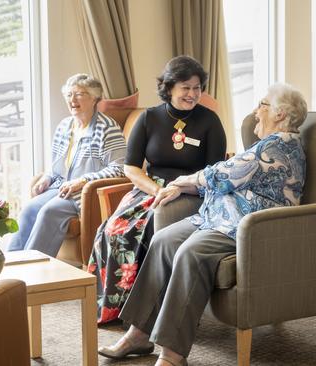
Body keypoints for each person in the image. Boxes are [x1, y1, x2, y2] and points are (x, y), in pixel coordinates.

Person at [98, 83, 308, 366]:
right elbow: (232, 177)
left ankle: (173, 353)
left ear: (281, 114)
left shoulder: (280, 145)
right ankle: (139, 333)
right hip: (215, 218)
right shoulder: (266, 144)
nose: (257, 111)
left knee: (190, 253)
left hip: (247, 226)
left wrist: (182, 183)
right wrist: (186, 187)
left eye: (263, 104)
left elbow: (225, 172)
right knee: (163, 240)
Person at [87, 55, 227, 324]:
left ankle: (149, 313)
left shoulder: (210, 122)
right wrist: (154, 190)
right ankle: (115, 305)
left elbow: (213, 174)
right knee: (112, 229)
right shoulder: (149, 118)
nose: (192, 93)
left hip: (189, 192)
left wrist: (181, 188)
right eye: (186, 87)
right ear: (170, 87)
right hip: (149, 189)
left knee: (150, 227)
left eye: (197, 87)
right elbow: (131, 168)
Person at [8, 74, 127, 257]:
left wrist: (82, 180)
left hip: (85, 192)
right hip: (61, 187)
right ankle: (11, 263)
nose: (72, 100)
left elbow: (119, 168)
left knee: (49, 211)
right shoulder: (65, 126)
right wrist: (47, 178)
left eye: (79, 94)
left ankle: (33, 270)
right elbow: (56, 166)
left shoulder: (107, 127)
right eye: (69, 94)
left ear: (94, 98)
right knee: (29, 209)